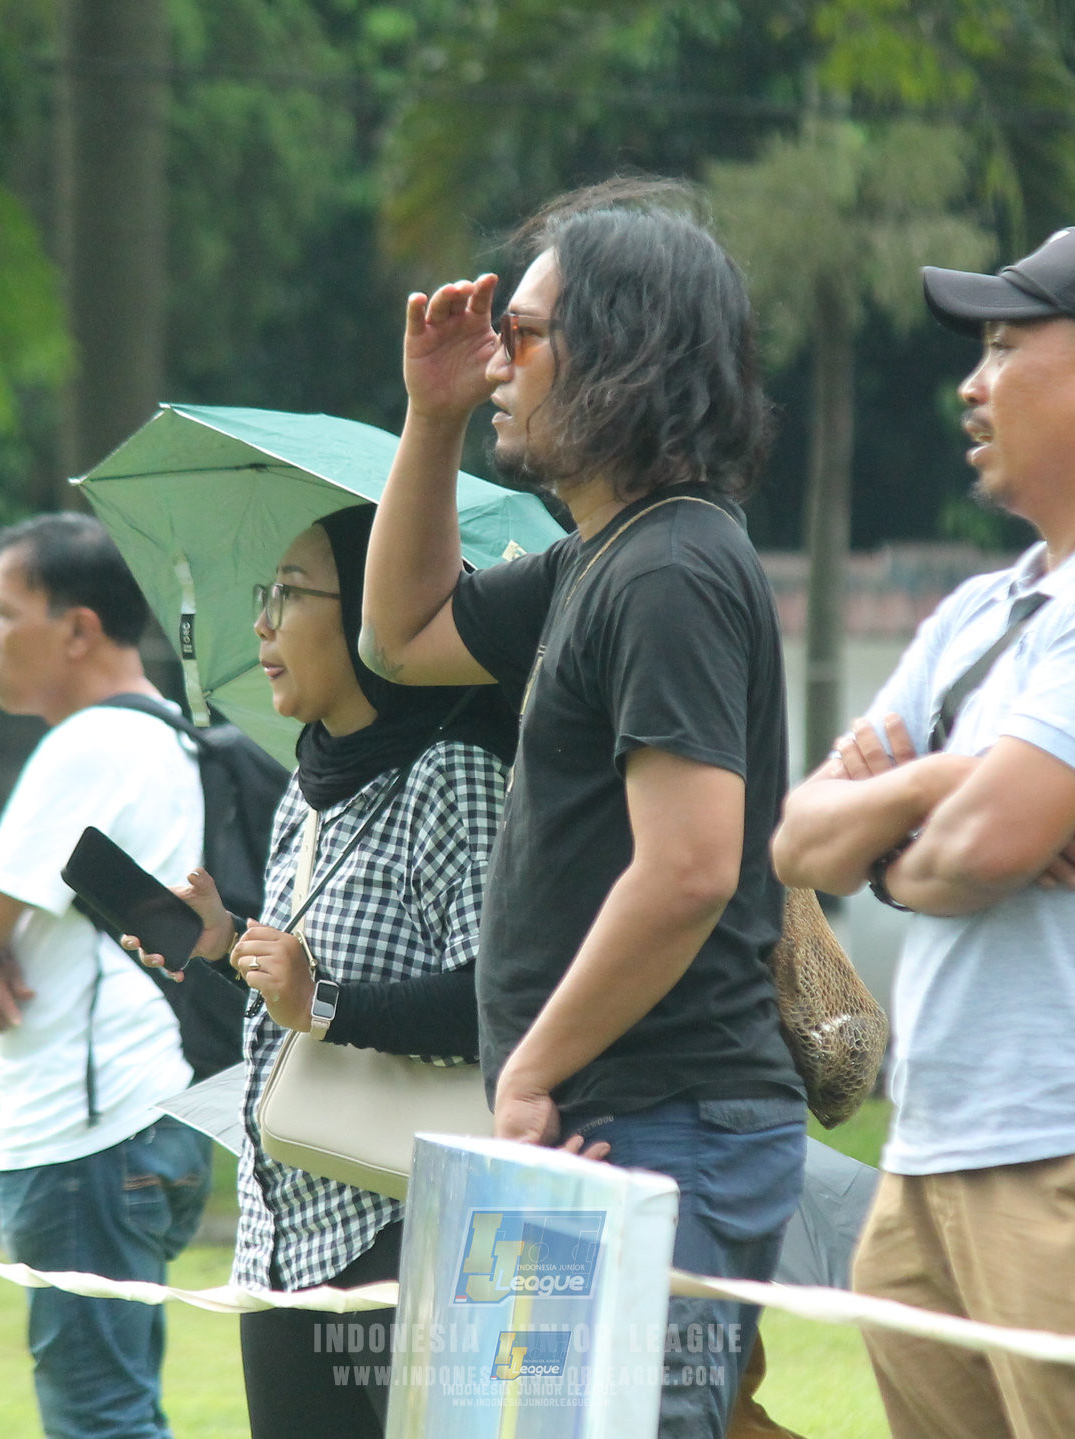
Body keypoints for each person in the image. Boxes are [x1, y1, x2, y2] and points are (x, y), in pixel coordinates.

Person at [772, 227, 1075, 1439]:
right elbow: (798, 841)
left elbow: (981, 849)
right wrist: (956, 777)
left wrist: (914, 823)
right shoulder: (980, 610)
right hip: (930, 1155)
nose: (970, 384)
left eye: (1001, 347)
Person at [360, 177, 807, 1437]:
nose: (496, 359)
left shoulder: (670, 567)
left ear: (624, 351)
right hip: (603, 1113)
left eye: (523, 333)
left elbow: (687, 868)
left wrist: (531, 1069)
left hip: (656, 1119)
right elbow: (401, 634)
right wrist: (430, 418)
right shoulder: (601, 557)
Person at [139, 503, 512, 1439]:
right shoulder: (310, 783)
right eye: (264, 593)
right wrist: (226, 943)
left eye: (292, 594)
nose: (262, 623)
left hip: (403, 1232)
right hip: (280, 1231)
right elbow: (299, 995)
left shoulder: (453, 774)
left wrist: (325, 1000)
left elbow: (501, 1002)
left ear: (373, 616)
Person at [0, 513, 214, 1439]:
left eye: (2, 613)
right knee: (116, 1407)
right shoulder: (173, 734)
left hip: (89, 1132)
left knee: (101, 1421)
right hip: (157, 1116)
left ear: (79, 628)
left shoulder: (89, 745)